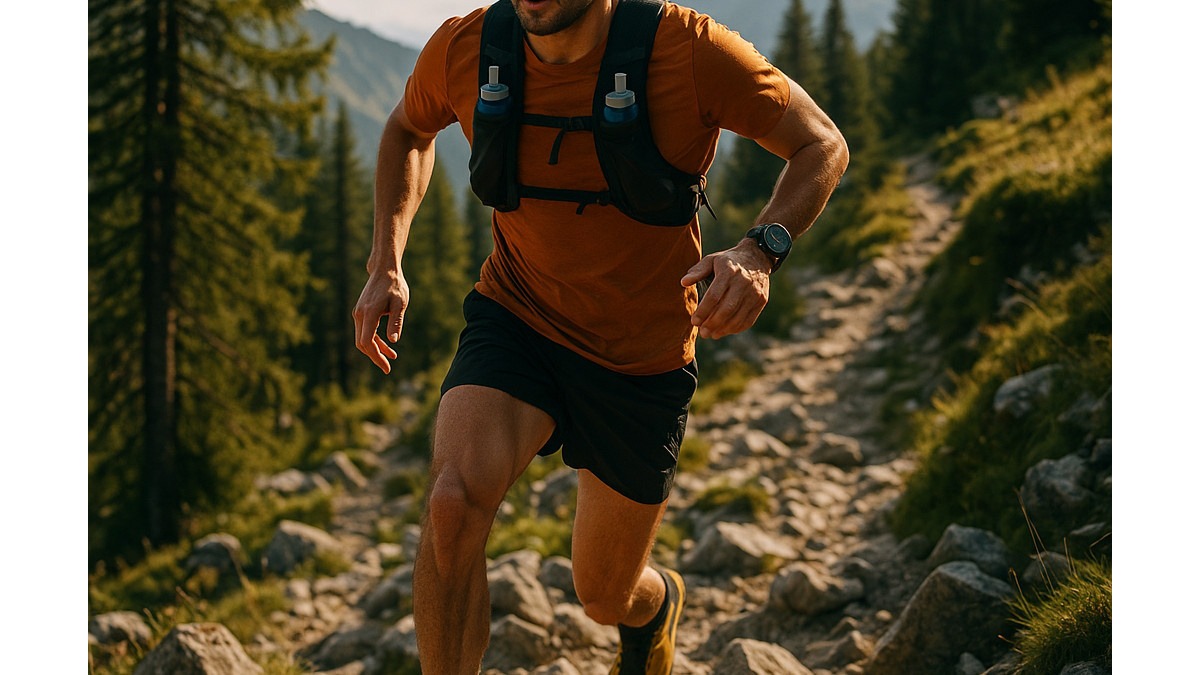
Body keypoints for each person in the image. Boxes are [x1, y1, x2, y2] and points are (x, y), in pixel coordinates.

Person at [352, 0, 848, 672]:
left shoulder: (690, 50)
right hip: (518, 315)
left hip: (640, 358)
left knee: (606, 593)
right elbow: (408, 130)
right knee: (451, 505)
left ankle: (658, 603)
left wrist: (761, 250)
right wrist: (387, 259)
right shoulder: (467, 47)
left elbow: (822, 142)